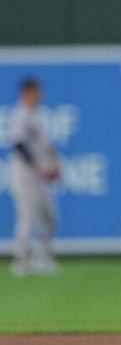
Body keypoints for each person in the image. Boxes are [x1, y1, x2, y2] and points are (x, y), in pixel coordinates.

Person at [9, 78, 61, 276]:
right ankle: (21, 261)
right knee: (27, 218)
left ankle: (43, 256)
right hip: (24, 174)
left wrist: (55, 159)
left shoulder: (40, 114)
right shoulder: (19, 114)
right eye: (36, 91)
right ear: (26, 93)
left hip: (39, 175)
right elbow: (19, 146)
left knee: (50, 216)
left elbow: (44, 144)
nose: (40, 94)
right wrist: (38, 167)